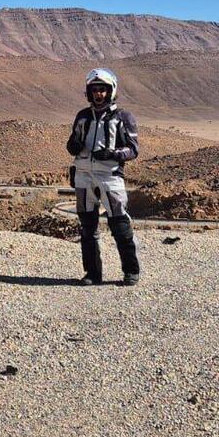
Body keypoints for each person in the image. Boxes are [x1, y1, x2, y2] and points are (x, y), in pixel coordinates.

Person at [65, 68, 141, 286]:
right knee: (87, 227)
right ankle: (92, 273)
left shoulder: (123, 117)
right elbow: (72, 144)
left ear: (111, 91)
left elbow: (133, 149)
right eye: (95, 90)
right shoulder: (82, 116)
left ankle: (131, 271)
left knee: (120, 224)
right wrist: (74, 145)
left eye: (103, 90)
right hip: (83, 175)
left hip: (110, 176)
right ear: (89, 92)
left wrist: (113, 154)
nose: (99, 94)